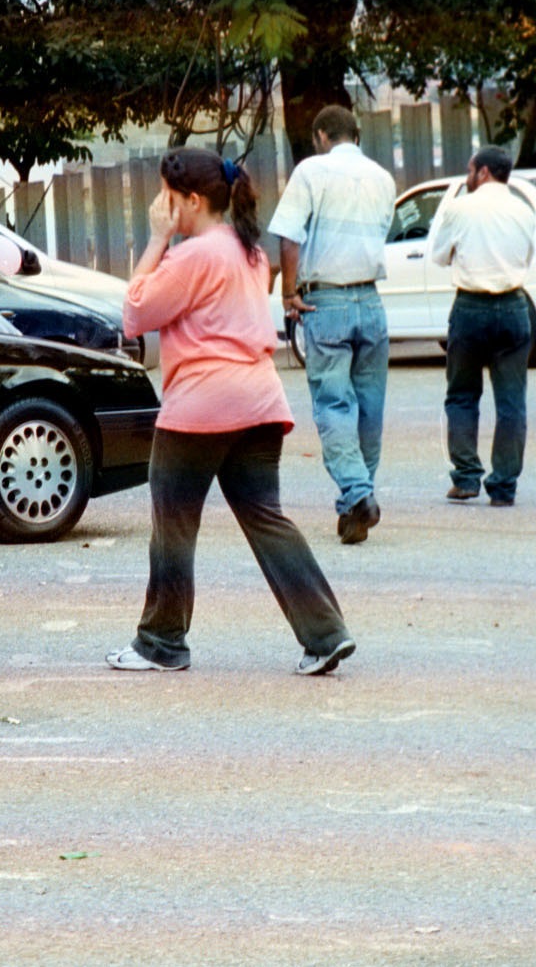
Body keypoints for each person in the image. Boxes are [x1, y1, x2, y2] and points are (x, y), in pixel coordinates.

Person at [108, 147, 356, 677]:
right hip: (261, 401)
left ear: (191, 201)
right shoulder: (248, 252)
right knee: (267, 518)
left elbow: (134, 314)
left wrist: (156, 240)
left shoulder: (193, 255)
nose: (160, 205)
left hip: (201, 406)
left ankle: (161, 642)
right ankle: (326, 634)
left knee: (173, 527)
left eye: (166, 197)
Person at [267, 105, 397, 545]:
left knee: (334, 404)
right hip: (371, 302)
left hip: (326, 302)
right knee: (370, 405)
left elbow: (289, 234)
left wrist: (289, 293)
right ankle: (355, 508)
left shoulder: (311, 171)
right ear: (355, 136)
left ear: (322, 135)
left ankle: (358, 493)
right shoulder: (383, 178)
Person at [425, 147, 536, 507]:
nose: (467, 176)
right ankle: (504, 485)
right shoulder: (524, 210)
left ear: (484, 172)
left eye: (470, 170)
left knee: (461, 394)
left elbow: (439, 255)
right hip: (514, 305)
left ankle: (467, 476)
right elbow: (526, 257)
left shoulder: (460, 208)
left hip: (470, 306)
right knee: (512, 403)